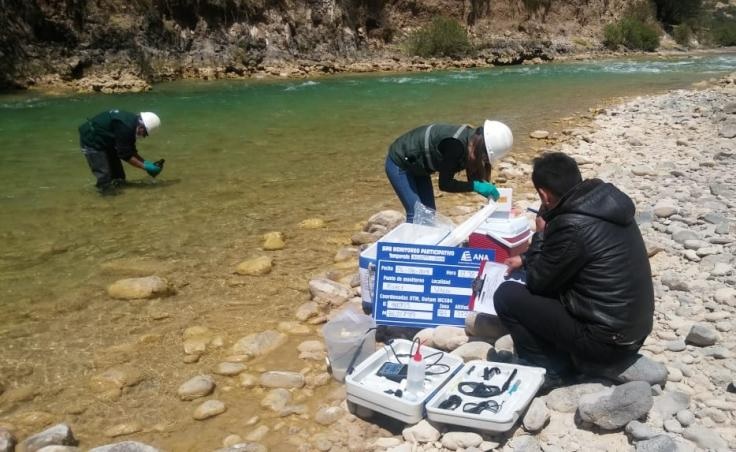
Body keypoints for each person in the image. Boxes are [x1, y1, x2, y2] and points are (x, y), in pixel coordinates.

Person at [493, 152, 654, 384]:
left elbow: (539, 283)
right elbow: (572, 255)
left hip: (607, 344)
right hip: (633, 332)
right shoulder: (604, 206)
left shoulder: (571, 224)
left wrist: (540, 235)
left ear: (543, 195)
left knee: (506, 296)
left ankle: (550, 370)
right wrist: (527, 259)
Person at [385, 120, 513, 222]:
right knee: (416, 214)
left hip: (419, 167)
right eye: (485, 156)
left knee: (429, 214)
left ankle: (426, 248)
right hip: (400, 162)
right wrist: (476, 186)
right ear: (482, 146)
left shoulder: (473, 139)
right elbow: (445, 184)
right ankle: (410, 252)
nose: (484, 160)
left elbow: (472, 173)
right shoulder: (455, 147)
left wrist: (483, 185)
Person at [79, 109, 164, 194]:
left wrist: (147, 163)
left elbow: (130, 150)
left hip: (106, 140)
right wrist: (146, 167)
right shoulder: (126, 128)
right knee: (105, 177)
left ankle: (119, 196)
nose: (144, 136)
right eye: (145, 134)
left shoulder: (132, 124)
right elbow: (125, 155)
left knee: (119, 176)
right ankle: (106, 200)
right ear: (142, 127)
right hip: (92, 141)